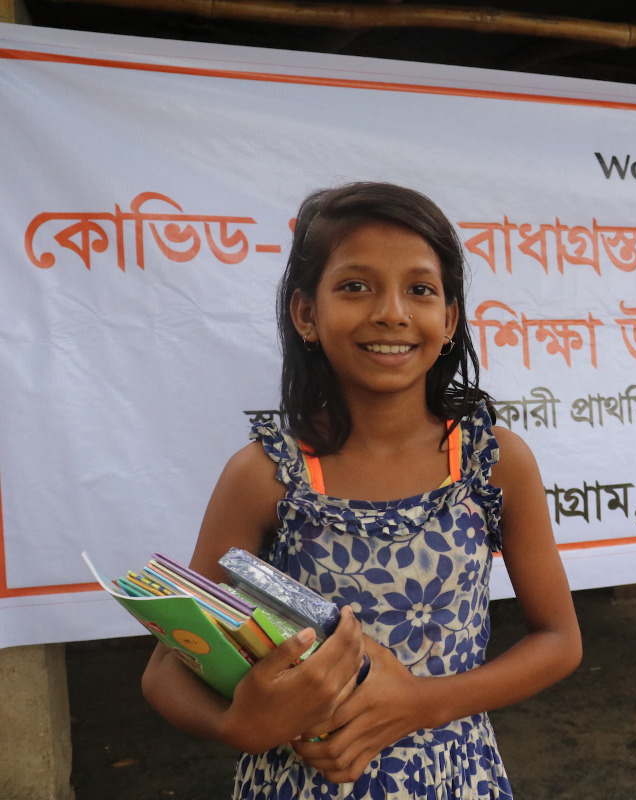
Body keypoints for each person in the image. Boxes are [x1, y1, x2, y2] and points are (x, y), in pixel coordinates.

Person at [142, 181, 582, 799]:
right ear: (305, 315)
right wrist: (236, 723)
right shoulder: (264, 475)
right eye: (355, 286)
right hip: (298, 782)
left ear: (449, 319)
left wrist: (422, 705)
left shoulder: (494, 462)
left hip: (450, 777)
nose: (391, 313)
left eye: (420, 290)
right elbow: (167, 666)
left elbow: (559, 641)